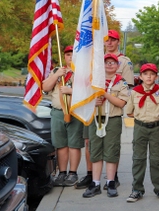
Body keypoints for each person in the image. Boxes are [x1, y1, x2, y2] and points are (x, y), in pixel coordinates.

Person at [76, 29, 134, 190]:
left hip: (112, 110)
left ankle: (111, 177)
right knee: (90, 143)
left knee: (111, 146)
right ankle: (92, 177)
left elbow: (127, 88)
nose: (109, 42)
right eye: (106, 40)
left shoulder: (124, 62)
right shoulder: (95, 59)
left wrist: (108, 95)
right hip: (94, 113)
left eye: (113, 39)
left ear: (117, 41)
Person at [124, 63, 159, 202]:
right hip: (140, 128)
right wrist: (142, 118)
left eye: (152, 74)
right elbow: (129, 111)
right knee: (138, 159)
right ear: (141, 76)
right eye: (146, 74)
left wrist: (153, 118)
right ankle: (137, 189)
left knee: (156, 159)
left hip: (156, 128)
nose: (149, 76)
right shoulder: (135, 92)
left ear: (156, 76)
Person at [83, 54, 129, 198]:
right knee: (95, 150)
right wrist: (92, 102)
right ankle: (95, 183)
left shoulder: (121, 82)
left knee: (111, 151)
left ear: (117, 66)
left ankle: (110, 182)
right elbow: (84, 98)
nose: (109, 65)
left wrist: (105, 95)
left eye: (112, 63)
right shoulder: (94, 82)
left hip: (113, 120)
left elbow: (121, 103)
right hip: (96, 118)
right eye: (106, 62)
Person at [42, 45, 84, 187]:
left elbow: (87, 93)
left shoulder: (82, 72)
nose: (70, 57)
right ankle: (62, 173)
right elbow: (45, 87)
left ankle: (73, 173)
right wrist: (56, 75)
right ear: (64, 57)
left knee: (74, 144)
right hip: (58, 112)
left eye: (73, 54)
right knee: (60, 144)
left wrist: (71, 90)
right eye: (68, 54)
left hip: (75, 112)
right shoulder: (57, 71)